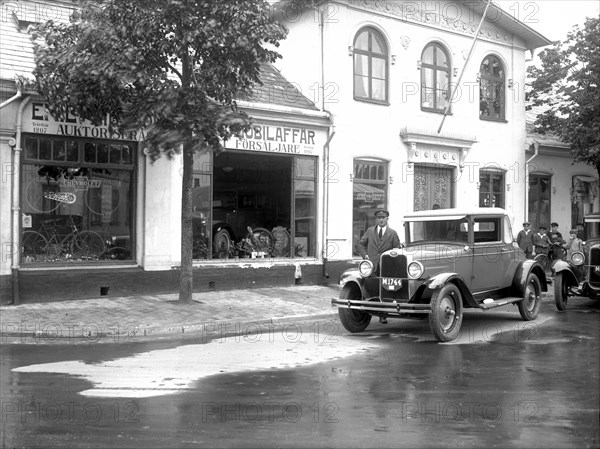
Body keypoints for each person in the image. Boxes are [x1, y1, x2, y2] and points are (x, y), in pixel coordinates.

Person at [357, 209, 401, 324]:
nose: (381, 220)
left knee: (385, 291)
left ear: (387, 219)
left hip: (387, 267)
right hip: (372, 267)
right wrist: (365, 256)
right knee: (372, 289)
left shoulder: (392, 233)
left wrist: (392, 260)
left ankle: (383, 315)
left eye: (383, 218)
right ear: (376, 219)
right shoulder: (370, 231)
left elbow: (397, 249)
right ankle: (371, 311)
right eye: (379, 218)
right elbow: (361, 244)